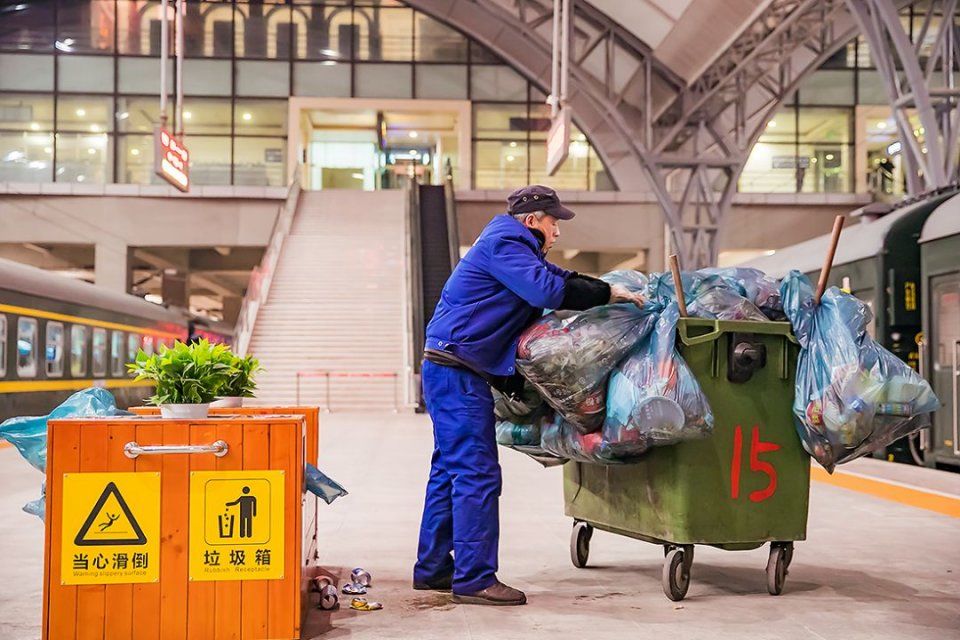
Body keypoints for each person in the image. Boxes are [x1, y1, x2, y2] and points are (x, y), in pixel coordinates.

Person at [413, 185, 644, 606]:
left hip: (453, 367)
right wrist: (604, 295)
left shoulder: (514, 248)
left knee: (450, 469)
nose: (558, 231)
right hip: (456, 371)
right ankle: (475, 578)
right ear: (532, 219)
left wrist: (604, 289)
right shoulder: (505, 242)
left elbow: (556, 279)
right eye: (554, 221)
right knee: (477, 473)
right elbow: (546, 291)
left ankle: (433, 568)